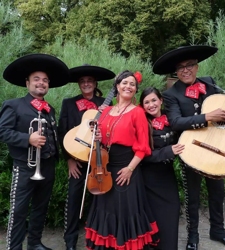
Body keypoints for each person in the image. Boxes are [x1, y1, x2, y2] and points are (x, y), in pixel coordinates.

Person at [153, 45, 225, 250]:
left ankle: (218, 231)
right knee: (192, 196)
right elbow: (175, 122)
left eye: (190, 65)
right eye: (180, 67)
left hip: (215, 146)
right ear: (176, 71)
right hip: (190, 150)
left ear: (197, 66)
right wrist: (206, 117)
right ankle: (193, 236)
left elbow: (224, 109)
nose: (185, 70)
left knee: (217, 193)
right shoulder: (170, 93)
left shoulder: (209, 83)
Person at [0, 54, 69, 250]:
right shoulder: (14, 105)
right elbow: (2, 131)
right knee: (19, 210)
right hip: (24, 167)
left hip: (47, 167)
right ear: (27, 83)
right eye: (37, 79)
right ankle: (14, 247)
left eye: (45, 80)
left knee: (41, 208)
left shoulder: (50, 110)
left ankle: (35, 243)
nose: (41, 83)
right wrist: (27, 139)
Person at [85, 70, 159, 249]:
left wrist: (130, 169)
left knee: (125, 211)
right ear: (117, 86)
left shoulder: (138, 113)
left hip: (127, 168)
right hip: (105, 168)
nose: (128, 86)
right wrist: (97, 138)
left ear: (135, 90)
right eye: (124, 83)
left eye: (132, 84)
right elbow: (102, 138)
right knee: (106, 209)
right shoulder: (105, 111)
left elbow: (143, 147)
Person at [58, 64, 116, 250]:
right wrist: (69, 159)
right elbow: (62, 133)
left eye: (89, 80)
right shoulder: (69, 103)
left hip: (99, 160)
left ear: (95, 83)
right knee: (74, 199)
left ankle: (99, 238)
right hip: (78, 160)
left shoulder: (106, 104)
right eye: (82, 81)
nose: (86, 84)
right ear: (79, 84)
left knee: (101, 200)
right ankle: (70, 241)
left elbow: (111, 132)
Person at [139, 87, 185, 250]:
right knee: (152, 217)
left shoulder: (172, 118)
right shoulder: (143, 123)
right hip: (148, 178)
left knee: (171, 212)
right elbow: (142, 155)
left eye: (153, 100)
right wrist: (168, 151)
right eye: (146, 102)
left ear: (161, 100)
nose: (151, 105)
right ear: (142, 106)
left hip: (167, 176)